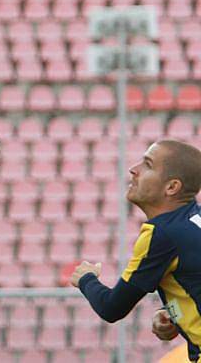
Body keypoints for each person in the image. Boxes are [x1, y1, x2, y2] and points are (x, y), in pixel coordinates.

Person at [70, 140, 201, 363]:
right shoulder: (192, 220)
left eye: (148, 165)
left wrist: (86, 279)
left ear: (171, 187)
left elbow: (112, 308)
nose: (134, 169)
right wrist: (172, 313)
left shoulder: (162, 234)